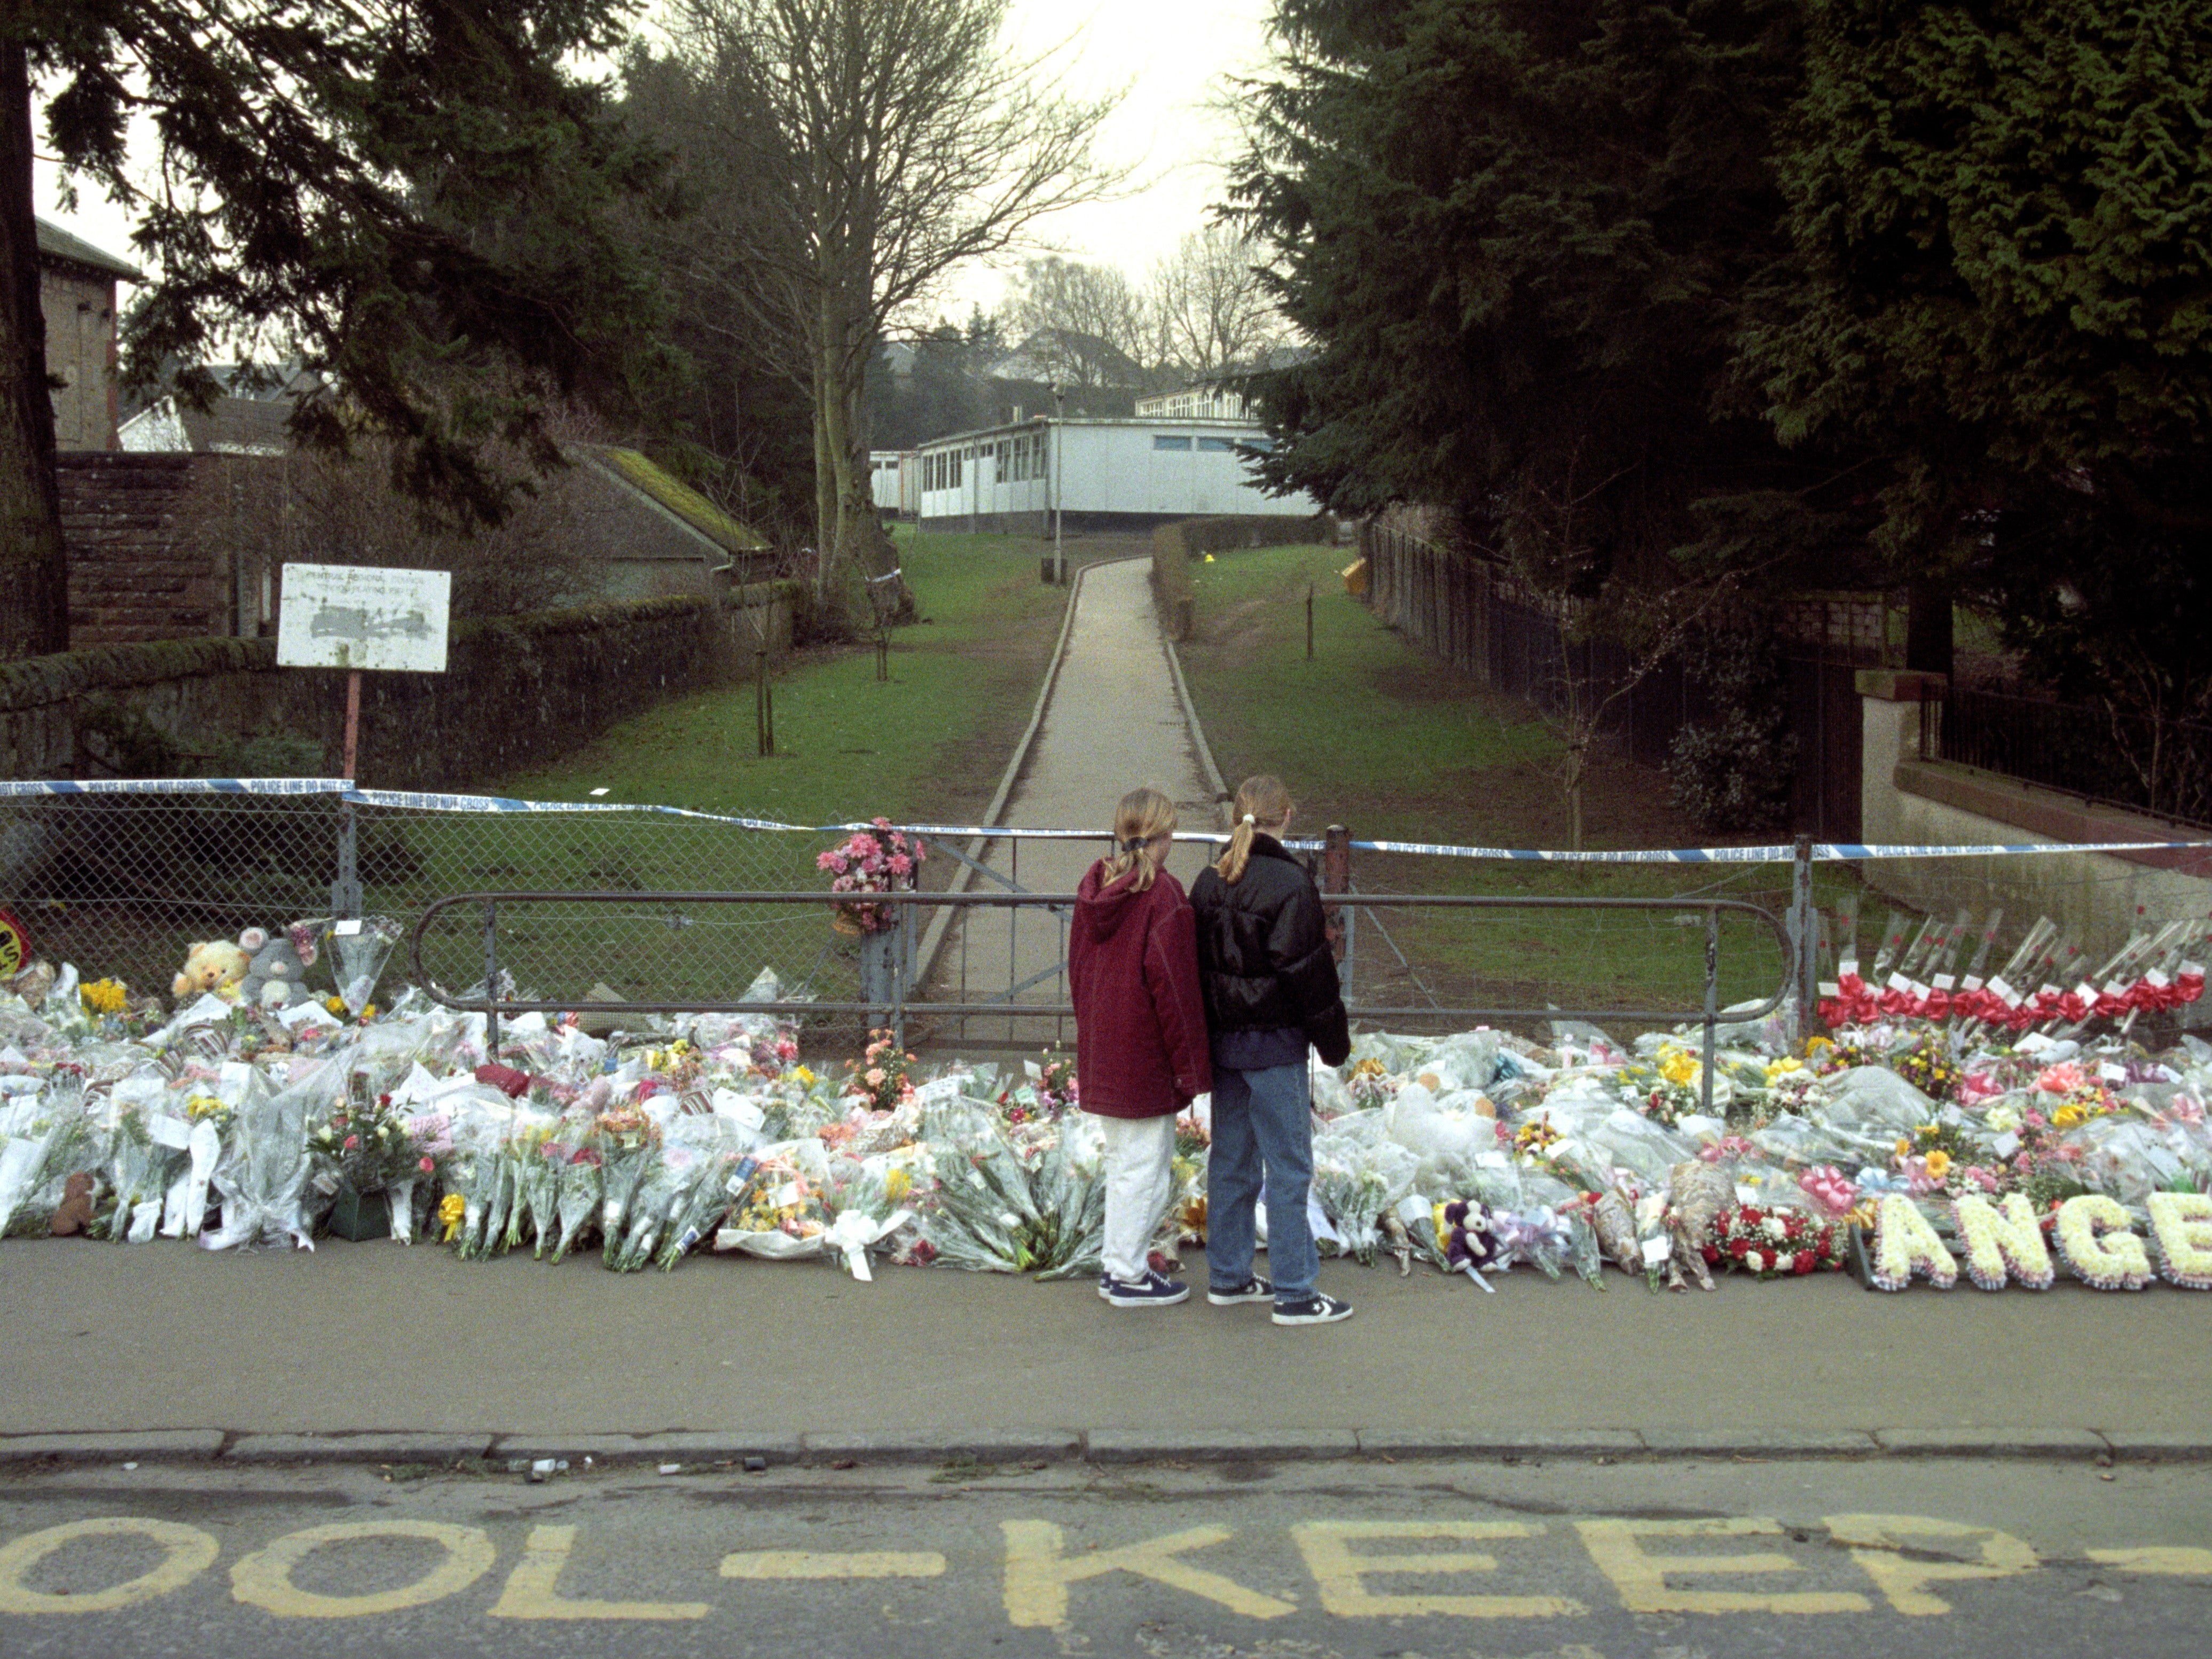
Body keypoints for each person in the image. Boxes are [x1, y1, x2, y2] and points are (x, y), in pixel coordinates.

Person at [1189, 774, 1354, 1326]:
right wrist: (1334, 1044)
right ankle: (1294, 1290)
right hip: (1276, 1046)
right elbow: (1308, 973)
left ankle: (1229, 1275)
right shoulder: (1289, 884)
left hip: (1224, 1043)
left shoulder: (1209, 881)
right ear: (1286, 818)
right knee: (1288, 1166)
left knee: (1231, 1161)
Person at [1069, 786, 1211, 1307]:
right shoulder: (1164, 896)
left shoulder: (1095, 888)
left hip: (1105, 1047)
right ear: (1163, 836)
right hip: (1144, 1054)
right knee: (1143, 1169)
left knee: (1125, 1165)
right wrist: (1191, 1067)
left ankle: (1119, 1264)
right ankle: (1126, 1273)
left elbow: (1077, 973)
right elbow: (1175, 991)